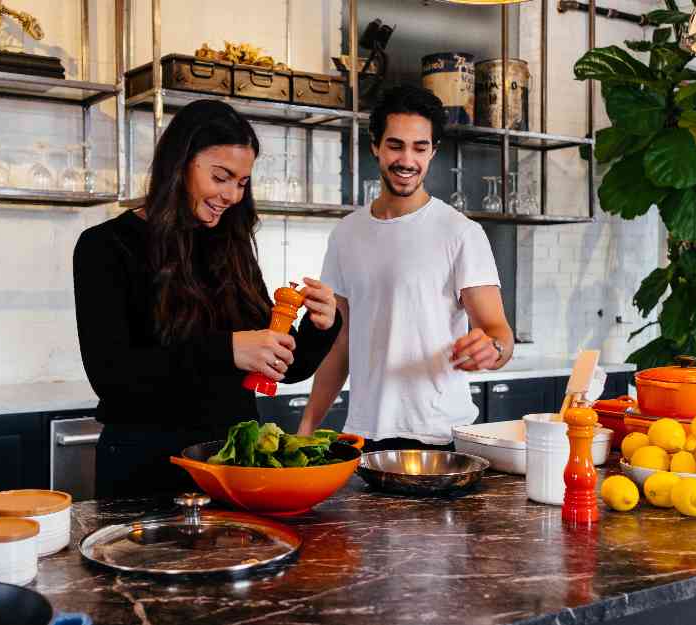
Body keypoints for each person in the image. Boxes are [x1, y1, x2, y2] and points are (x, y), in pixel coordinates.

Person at [73, 99, 341, 499]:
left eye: (242, 182)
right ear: (180, 163)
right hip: (145, 469)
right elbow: (113, 378)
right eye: (221, 177)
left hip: (232, 466)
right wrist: (229, 350)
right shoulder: (105, 247)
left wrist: (320, 326)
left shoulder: (231, 247)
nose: (232, 194)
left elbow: (281, 367)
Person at [297, 85, 514, 452]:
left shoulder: (460, 232)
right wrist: (306, 427)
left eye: (420, 147)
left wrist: (492, 349)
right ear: (375, 146)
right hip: (365, 436)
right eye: (395, 145)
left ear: (433, 152)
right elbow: (341, 342)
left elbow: (499, 333)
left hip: (439, 437)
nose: (407, 160)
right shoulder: (346, 234)